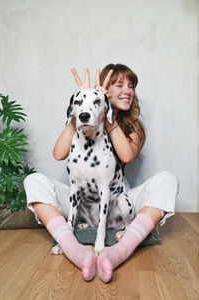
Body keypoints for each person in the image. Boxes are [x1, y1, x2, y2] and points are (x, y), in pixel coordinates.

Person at [24, 64, 178, 282]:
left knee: (168, 181)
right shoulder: (84, 115)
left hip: (117, 200)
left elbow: (125, 156)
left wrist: (106, 115)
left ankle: (120, 251)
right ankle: (74, 249)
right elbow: (59, 154)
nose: (127, 90)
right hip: (84, 204)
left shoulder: (133, 126)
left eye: (131, 85)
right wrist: (80, 108)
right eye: (119, 84)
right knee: (33, 181)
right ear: (107, 89)